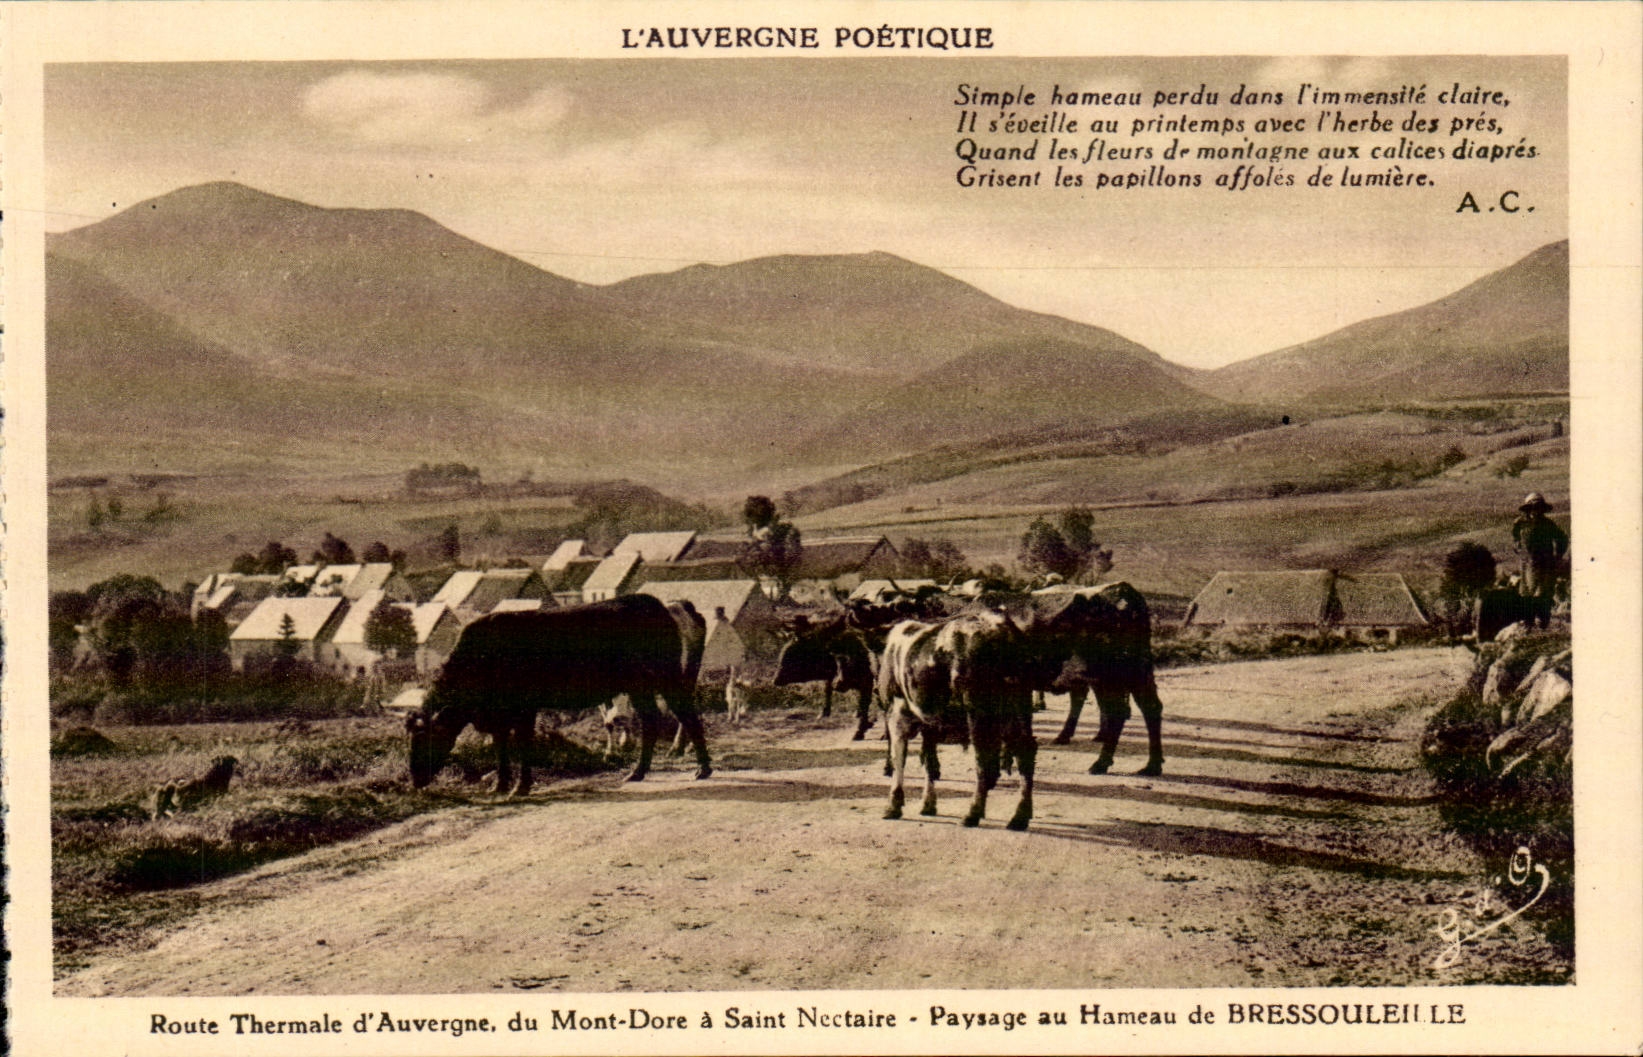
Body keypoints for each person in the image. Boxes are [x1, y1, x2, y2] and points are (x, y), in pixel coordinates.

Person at [1511, 492, 1568, 628]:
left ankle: (1543, 624)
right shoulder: (1520, 523)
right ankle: (1528, 624)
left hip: (1545, 565)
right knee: (1526, 595)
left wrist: (1557, 556)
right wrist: (1517, 546)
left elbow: (1562, 539)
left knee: (1543, 595)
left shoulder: (1548, 524)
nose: (1536, 511)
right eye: (1533, 508)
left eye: (1539, 508)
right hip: (1527, 565)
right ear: (1528, 509)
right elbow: (1515, 538)